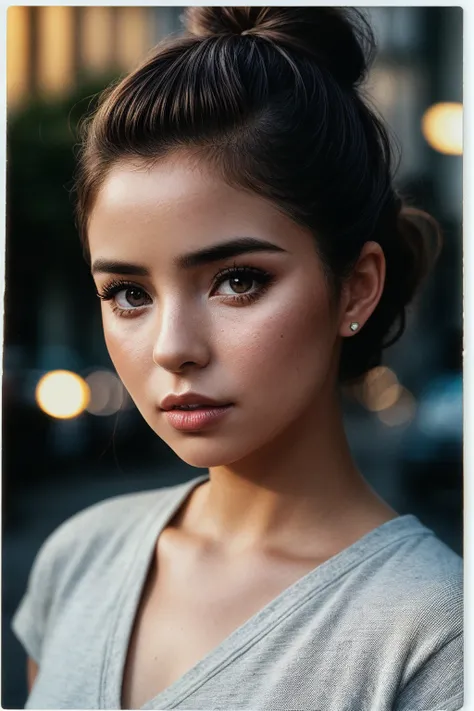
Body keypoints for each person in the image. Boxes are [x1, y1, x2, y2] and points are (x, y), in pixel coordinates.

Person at [12, 7, 462, 711]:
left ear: (357, 286)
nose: (172, 347)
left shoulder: (437, 640)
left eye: (238, 280)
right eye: (129, 292)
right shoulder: (78, 557)